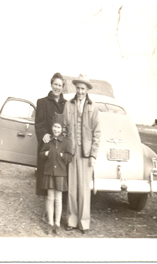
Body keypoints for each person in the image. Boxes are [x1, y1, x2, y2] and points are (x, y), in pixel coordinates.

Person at [63, 74, 101, 234]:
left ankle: (84, 223)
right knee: (72, 187)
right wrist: (64, 150)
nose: (80, 91)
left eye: (82, 89)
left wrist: (93, 155)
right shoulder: (68, 105)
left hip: (86, 153)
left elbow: (97, 133)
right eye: (78, 88)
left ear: (86, 90)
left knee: (84, 188)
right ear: (75, 89)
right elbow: (64, 128)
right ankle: (71, 220)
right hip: (72, 151)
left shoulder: (93, 107)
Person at [35, 73, 67, 221]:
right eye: (55, 84)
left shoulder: (66, 104)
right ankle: (47, 212)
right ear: (51, 85)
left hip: (59, 147)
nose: (57, 88)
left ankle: (58, 214)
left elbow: (66, 125)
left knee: (58, 180)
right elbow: (39, 124)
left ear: (62, 87)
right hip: (47, 146)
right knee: (46, 179)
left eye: (60, 85)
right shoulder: (42, 103)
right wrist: (43, 135)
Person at [39, 113, 72, 235]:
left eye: (58, 127)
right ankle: (50, 223)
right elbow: (41, 154)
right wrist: (45, 154)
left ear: (62, 129)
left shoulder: (66, 142)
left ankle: (57, 223)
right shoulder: (48, 140)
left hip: (60, 173)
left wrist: (64, 156)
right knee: (49, 198)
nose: (56, 129)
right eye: (54, 127)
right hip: (49, 172)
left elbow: (70, 156)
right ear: (52, 127)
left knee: (58, 199)